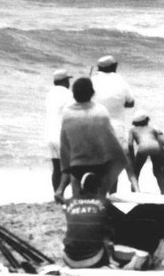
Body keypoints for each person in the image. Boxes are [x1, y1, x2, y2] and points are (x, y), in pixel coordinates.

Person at [58, 77, 139, 199]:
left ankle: (68, 194)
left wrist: (65, 173)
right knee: (120, 160)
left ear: (73, 94)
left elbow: (64, 146)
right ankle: (102, 194)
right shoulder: (101, 111)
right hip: (98, 165)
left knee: (74, 175)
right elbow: (110, 141)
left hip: (77, 166)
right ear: (92, 93)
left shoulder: (67, 113)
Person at [91, 55, 135, 191]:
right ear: (114, 67)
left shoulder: (92, 80)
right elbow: (130, 102)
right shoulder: (120, 81)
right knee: (113, 164)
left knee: (97, 163)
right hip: (117, 127)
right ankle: (112, 195)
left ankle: (96, 193)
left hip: (95, 126)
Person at [45, 69, 73, 200]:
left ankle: (56, 195)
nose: (69, 82)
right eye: (68, 80)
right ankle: (60, 192)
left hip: (50, 135)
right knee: (70, 168)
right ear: (64, 80)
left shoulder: (50, 93)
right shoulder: (68, 94)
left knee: (56, 168)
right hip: (63, 135)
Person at [128, 112, 164, 194]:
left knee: (136, 171)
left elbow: (130, 144)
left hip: (143, 147)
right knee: (158, 172)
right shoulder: (152, 129)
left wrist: (132, 158)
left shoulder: (132, 130)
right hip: (156, 146)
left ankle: (135, 192)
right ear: (146, 120)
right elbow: (161, 141)